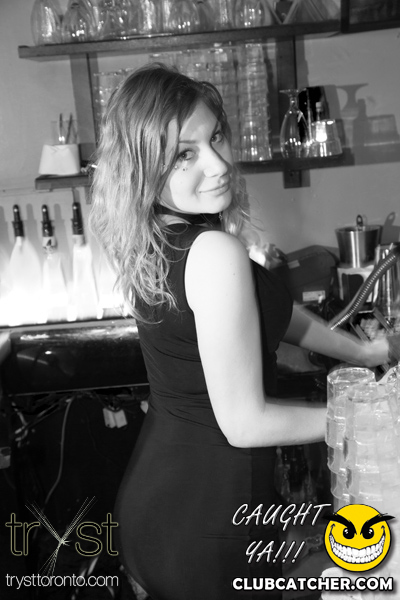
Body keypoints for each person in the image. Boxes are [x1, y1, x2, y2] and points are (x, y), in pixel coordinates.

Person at [89, 64, 389, 600]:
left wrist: (363, 353)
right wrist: (372, 421)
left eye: (216, 137)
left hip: (162, 502)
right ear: (143, 167)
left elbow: (273, 313)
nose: (218, 163)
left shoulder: (161, 237)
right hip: (210, 515)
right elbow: (245, 424)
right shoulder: (213, 251)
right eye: (184, 154)